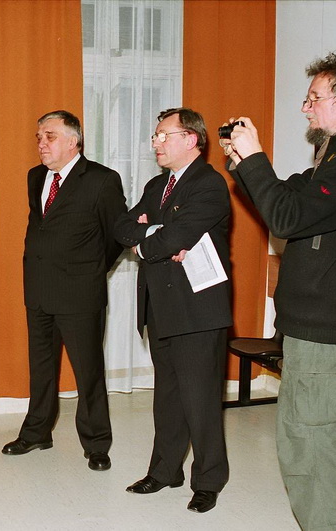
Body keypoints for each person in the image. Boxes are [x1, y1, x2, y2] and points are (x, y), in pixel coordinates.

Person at [221, 52, 336, 530]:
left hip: (324, 332)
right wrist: (243, 162)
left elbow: (285, 219)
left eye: (315, 98)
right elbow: (284, 197)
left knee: (312, 452)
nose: (305, 108)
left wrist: (255, 156)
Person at [114, 107, 232, 513]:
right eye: (155, 136)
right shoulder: (156, 185)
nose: (156, 143)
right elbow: (123, 227)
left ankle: (209, 480)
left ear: (191, 139)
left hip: (197, 309)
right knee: (167, 397)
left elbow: (175, 236)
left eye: (164, 135)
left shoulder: (209, 184)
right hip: (161, 305)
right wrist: (153, 230)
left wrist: (153, 237)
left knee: (201, 401)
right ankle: (165, 471)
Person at [2, 110, 127, 471]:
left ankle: (97, 443)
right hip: (39, 289)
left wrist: (92, 269)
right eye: (39, 137)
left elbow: (117, 235)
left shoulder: (102, 179)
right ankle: (37, 432)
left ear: (73, 141)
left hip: (80, 294)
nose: (41, 143)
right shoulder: (35, 176)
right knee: (41, 368)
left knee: (88, 372)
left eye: (50, 136)